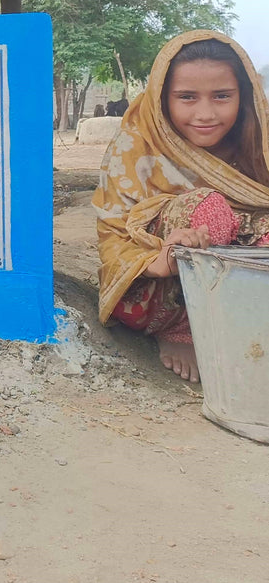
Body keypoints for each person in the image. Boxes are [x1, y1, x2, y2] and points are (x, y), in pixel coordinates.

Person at [93, 31, 269, 383]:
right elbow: (113, 238)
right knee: (209, 207)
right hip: (154, 295)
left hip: (235, 295)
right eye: (187, 97)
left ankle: (245, 329)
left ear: (244, 95)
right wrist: (163, 260)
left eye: (222, 96)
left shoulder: (257, 142)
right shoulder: (136, 144)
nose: (205, 113)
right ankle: (184, 331)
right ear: (162, 97)